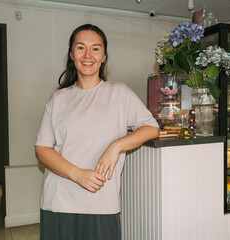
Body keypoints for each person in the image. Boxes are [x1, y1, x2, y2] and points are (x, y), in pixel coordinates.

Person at [35, 24, 159, 240]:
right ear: (72, 54)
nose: (88, 55)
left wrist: (116, 146)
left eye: (95, 48)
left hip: (101, 203)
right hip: (59, 200)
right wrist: (78, 175)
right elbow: (42, 149)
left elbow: (151, 128)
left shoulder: (119, 93)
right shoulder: (58, 99)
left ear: (103, 57)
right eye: (81, 48)